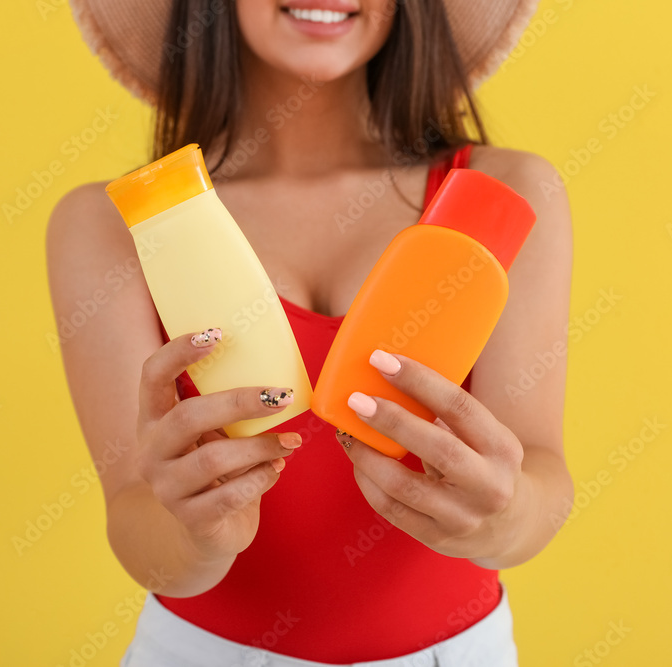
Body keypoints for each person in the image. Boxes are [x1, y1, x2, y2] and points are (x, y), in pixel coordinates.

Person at [46, 0, 574, 665]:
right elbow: (134, 521)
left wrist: (506, 513)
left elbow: (544, 474)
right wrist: (196, 537)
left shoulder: (507, 196)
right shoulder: (110, 227)